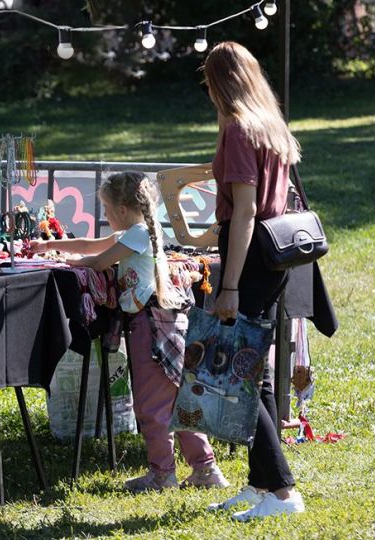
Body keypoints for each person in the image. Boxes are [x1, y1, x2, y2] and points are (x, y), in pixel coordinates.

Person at [30, 171, 228, 492]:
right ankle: (205, 469)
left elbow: (97, 260)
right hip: (164, 321)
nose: (105, 218)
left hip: (149, 327)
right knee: (179, 401)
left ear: (122, 210)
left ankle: (162, 474)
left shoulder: (137, 235)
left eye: (106, 210)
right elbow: (93, 244)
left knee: (151, 406)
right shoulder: (140, 231)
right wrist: (49, 244)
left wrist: (68, 261)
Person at [201, 41, 306, 520]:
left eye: (208, 81)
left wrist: (230, 285)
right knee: (254, 374)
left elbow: (244, 213)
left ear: (220, 82)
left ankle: (282, 491)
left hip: (250, 260)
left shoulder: (239, 130)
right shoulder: (270, 126)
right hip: (274, 256)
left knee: (240, 375)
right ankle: (261, 483)